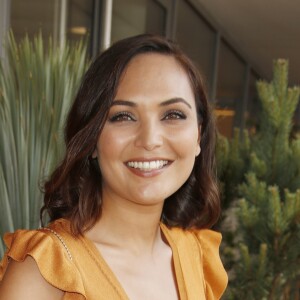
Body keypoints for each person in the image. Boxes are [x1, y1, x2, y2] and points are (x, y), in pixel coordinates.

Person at [0, 34, 227, 299]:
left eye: (173, 114)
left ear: (198, 135)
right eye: (123, 116)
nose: (150, 140)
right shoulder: (45, 270)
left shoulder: (195, 256)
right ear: (92, 138)